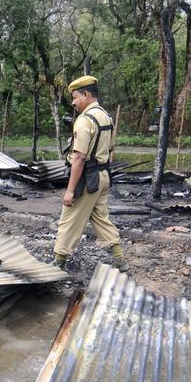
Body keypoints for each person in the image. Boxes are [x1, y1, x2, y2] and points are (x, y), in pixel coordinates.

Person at [52, 75, 128, 273]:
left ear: (85, 94)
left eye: (75, 97)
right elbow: (110, 149)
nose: (73, 102)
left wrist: (70, 191)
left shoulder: (85, 120)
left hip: (87, 179)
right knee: (101, 218)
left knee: (69, 219)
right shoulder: (106, 117)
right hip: (103, 176)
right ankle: (120, 259)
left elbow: (79, 158)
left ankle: (59, 261)